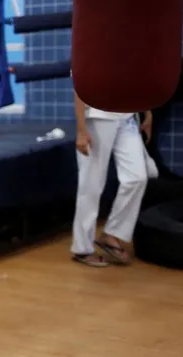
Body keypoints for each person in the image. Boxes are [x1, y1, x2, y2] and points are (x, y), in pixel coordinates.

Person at [71, 90, 153, 267]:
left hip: (126, 117)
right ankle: (82, 249)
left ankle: (111, 234)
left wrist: (147, 112)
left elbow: (137, 81)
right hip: (97, 116)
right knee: (91, 184)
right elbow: (79, 87)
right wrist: (81, 130)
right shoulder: (91, 60)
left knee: (137, 178)